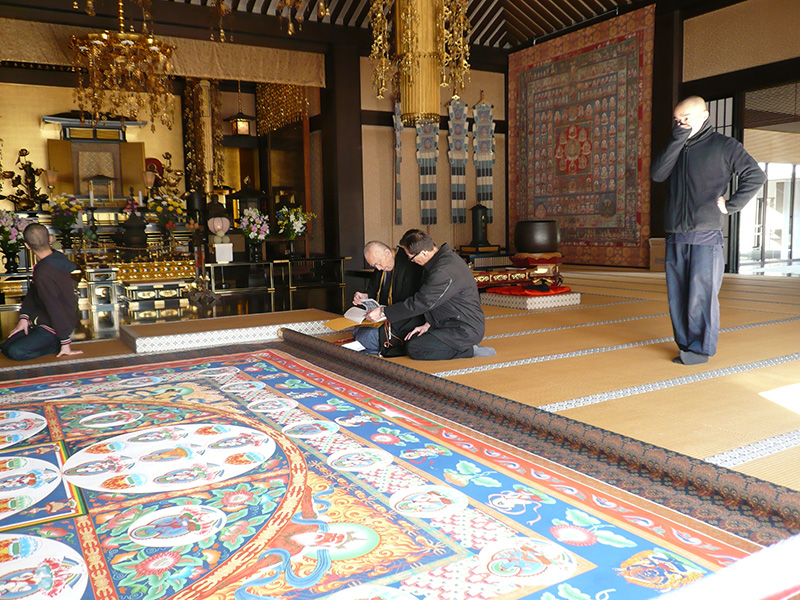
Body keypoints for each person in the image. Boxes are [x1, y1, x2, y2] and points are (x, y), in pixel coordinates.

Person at [651, 96, 766, 365]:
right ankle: (684, 346)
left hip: (705, 235)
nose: (680, 124)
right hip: (675, 234)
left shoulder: (724, 146)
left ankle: (699, 351)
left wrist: (732, 205)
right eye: (677, 120)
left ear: (704, 115)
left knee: (701, 296)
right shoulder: (676, 145)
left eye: (686, 119)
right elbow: (658, 174)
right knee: (677, 296)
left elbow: (755, 175)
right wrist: (678, 139)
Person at [365, 229, 495, 361]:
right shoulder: (439, 262)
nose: (411, 261)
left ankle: (470, 351)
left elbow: (421, 302)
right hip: (445, 322)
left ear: (423, 252)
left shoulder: (444, 270)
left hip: (464, 328)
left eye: (411, 258)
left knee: (415, 348)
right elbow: (437, 301)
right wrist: (428, 324)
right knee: (412, 337)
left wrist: (383, 312)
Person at [1, 223, 82, 361]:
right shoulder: (55, 257)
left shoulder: (44, 271)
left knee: (16, 352)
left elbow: (54, 306)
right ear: (50, 239)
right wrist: (24, 317)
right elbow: (33, 293)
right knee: (5, 347)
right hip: (42, 319)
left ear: (27, 246)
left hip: (58, 325)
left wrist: (64, 341)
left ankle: (55, 345)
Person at [351, 240, 424, 356]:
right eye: (374, 266)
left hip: (405, 319)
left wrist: (384, 312)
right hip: (383, 318)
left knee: (367, 337)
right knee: (357, 332)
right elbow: (374, 290)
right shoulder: (383, 266)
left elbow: (410, 304)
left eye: (378, 264)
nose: (378, 268)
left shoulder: (408, 265)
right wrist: (365, 296)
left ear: (387, 253)